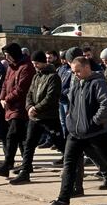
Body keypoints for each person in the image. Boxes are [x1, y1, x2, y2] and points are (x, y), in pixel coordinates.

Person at [43, 56, 107, 205]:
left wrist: (95, 121)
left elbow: (106, 103)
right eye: (73, 72)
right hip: (75, 133)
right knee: (69, 165)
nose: (75, 74)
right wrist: (69, 117)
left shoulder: (98, 82)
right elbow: (71, 101)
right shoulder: (76, 82)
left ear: (87, 68)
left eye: (78, 71)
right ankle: (63, 199)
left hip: (95, 132)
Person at [9, 51, 65, 185]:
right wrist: (29, 107)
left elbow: (51, 97)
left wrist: (37, 108)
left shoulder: (53, 77)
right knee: (29, 144)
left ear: (44, 63)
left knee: (60, 144)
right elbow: (30, 93)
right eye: (34, 63)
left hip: (49, 117)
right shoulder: (36, 76)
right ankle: (25, 171)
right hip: (35, 117)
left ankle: (76, 166)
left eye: (37, 63)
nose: (35, 66)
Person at [0, 43, 34, 177]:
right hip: (9, 107)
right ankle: (27, 165)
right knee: (21, 138)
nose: (7, 58)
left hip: (20, 108)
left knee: (12, 135)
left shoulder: (26, 67)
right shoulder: (11, 67)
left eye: (8, 55)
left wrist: (8, 99)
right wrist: (2, 99)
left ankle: (8, 163)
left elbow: (21, 89)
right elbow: (5, 84)